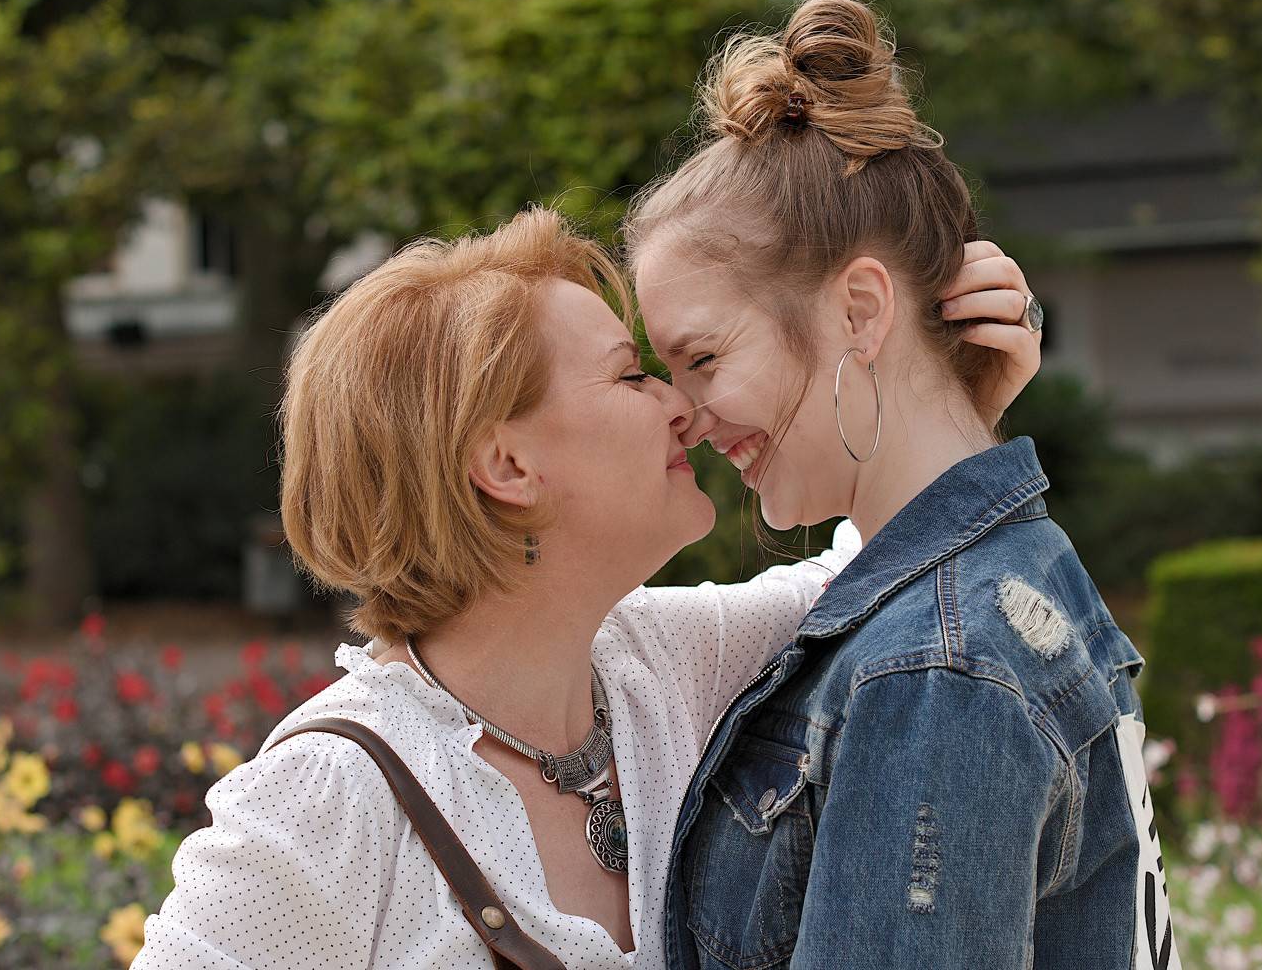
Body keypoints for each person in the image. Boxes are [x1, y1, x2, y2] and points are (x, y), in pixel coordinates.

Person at [132, 203, 1040, 968]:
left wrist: (947, 407)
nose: (683, 406)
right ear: (507, 465)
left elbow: (874, 571)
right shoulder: (324, 803)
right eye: (631, 375)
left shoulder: (662, 667)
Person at [625, 0, 1179, 970]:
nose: (689, 414)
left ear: (861, 310)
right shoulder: (1014, 574)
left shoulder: (934, 670)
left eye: (702, 358)